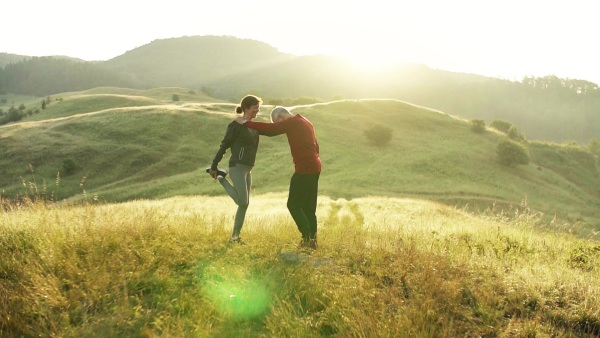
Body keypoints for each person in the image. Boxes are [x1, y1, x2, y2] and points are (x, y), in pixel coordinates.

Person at [235, 106, 321, 249]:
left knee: (293, 205)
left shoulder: (293, 122)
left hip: (305, 167)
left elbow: (270, 130)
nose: (278, 126)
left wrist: (245, 122)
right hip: (315, 165)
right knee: (308, 207)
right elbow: (316, 145)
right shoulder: (305, 121)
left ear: (281, 117)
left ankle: (307, 239)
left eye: (277, 122)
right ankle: (313, 241)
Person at [207, 95, 262, 244]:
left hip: (248, 168)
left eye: (258, 107)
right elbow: (224, 145)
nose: (258, 110)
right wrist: (214, 165)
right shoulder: (235, 126)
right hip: (237, 166)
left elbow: (272, 130)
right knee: (243, 203)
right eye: (255, 107)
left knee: (245, 204)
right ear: (246, 108)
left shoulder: (254, 127)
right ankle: (221, 178)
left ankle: (235, 237)